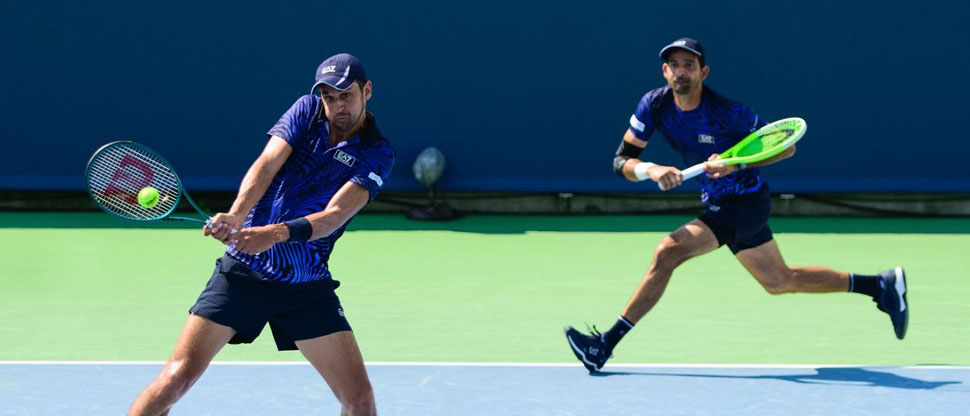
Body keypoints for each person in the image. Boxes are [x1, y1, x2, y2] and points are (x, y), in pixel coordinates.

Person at [563, 38, 908, 373]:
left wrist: (735, 164)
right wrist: (651, 170)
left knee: (668, 251)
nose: (681, 72)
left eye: (689, 65)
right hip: (719, 202)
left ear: (703, 72)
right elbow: (622, 160)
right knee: (779, 281)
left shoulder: (727, 113)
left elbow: (786, 147)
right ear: (665, 71)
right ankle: (880, 286)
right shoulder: (654, 105)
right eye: (674, 65)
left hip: (745, 202)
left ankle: (604, 345)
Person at [128, 53, 395, 415]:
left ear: (367, 90)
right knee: (176, 379)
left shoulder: (377, 153)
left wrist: (273, 234)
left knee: (360, 401)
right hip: (243, 274)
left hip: (305, 284)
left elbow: (334, 216)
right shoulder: (306, 111)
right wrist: (237, 216)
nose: (337, 106)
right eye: (329, 97)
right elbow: (267, 164)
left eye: (345, 95)